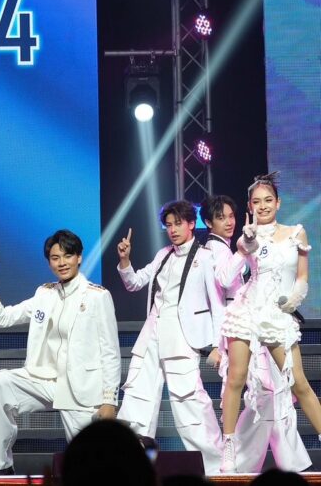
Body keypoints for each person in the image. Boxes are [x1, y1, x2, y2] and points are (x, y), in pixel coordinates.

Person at [0, 230, 120, 476]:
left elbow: (111, 352)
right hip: (43, 378)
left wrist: (109, 401)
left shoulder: (97, 296)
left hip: (80, 387)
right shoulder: (44, 294)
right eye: (55, 258)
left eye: (67, 256)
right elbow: (2, 318)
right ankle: (0, 468)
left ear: (79, 257)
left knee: (92, 464)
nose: (61, 263)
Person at [216, 173, 318, 472]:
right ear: (250, 205)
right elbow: (225, 279)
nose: (263, 206)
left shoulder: (297, 233)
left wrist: (294, 299)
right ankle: (229, 448)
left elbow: (302, 276)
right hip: (247, 311)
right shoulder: (247, 236)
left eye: (268, 200)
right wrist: (245, 244)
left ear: (278, 202)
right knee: (235, 379)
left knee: (299, 383)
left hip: (276, 315)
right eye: (256, 201)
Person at [116, 200, 225, 473]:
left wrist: (217, 345)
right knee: (136, 399)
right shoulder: (163, 254)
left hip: (182, 337)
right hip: (152, 335)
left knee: (190, 403)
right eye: (168, 225)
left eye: (178, 223)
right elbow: (134, 283)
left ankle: (215, 469)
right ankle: (129, 466)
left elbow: (217, 304)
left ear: (191, 224)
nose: (173, 230)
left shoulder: (205, 256)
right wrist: (125, 261)